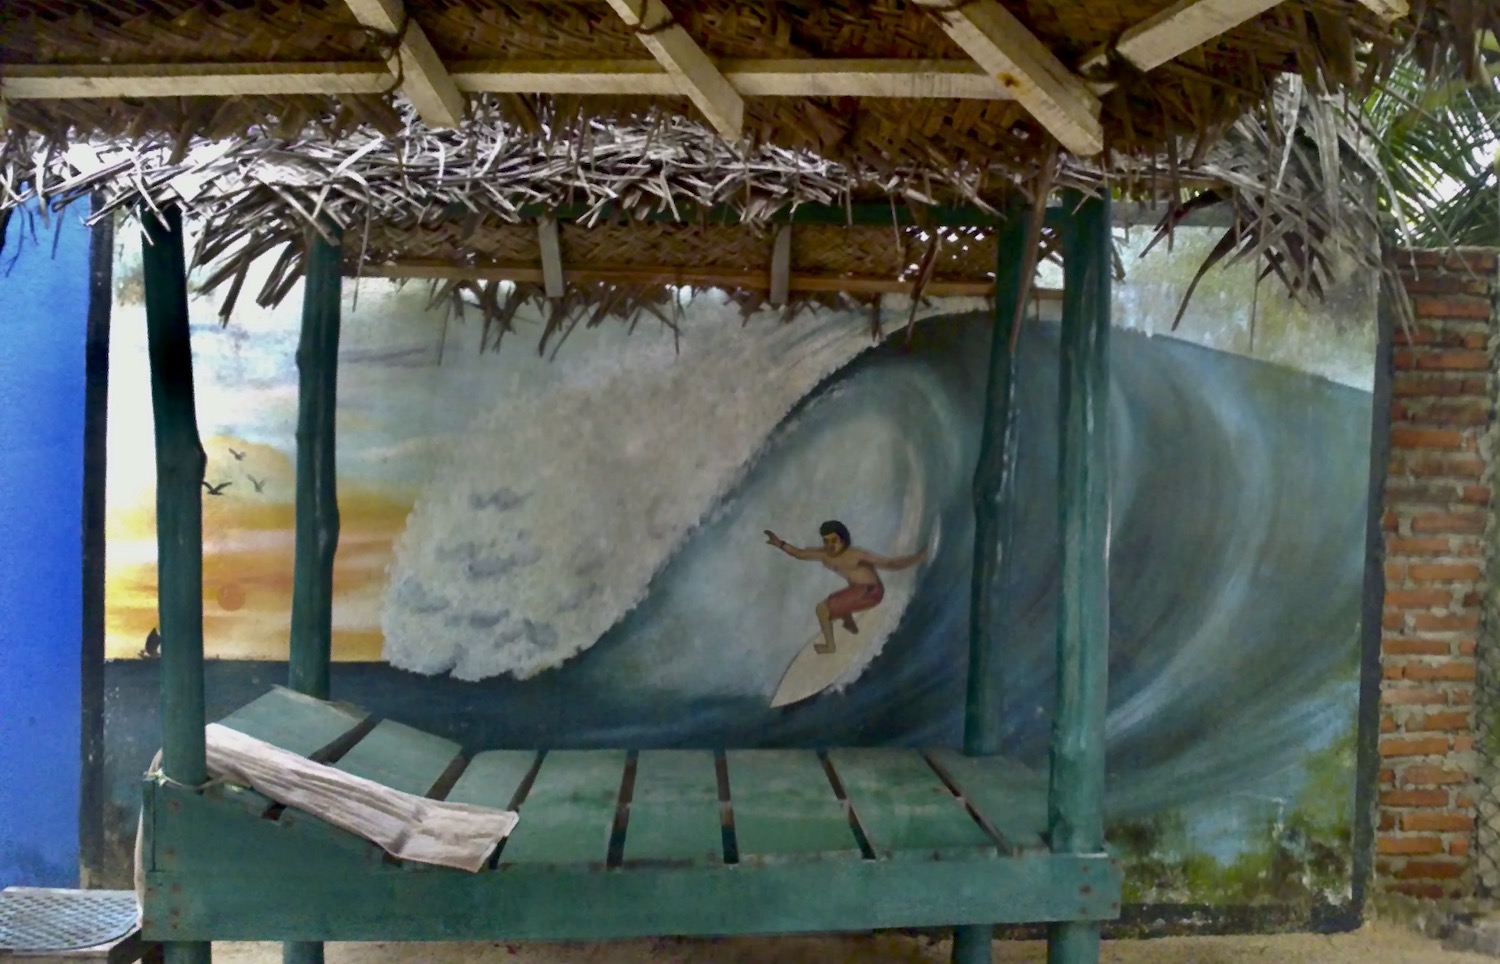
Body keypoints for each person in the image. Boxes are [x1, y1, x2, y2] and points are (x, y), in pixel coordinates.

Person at [764, 520, 926, 654]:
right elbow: (800, 554)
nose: (830, 545)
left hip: (871, 592)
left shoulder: (856, 554)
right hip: (857, 591)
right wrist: (779, 544)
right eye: (826, 541)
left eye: (834, 541)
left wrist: (918, 558)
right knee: (838, 600)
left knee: (822, 609)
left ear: (843, 540)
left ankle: (830, 647)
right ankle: (849, 622)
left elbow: (889, 564)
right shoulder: (824, 555)